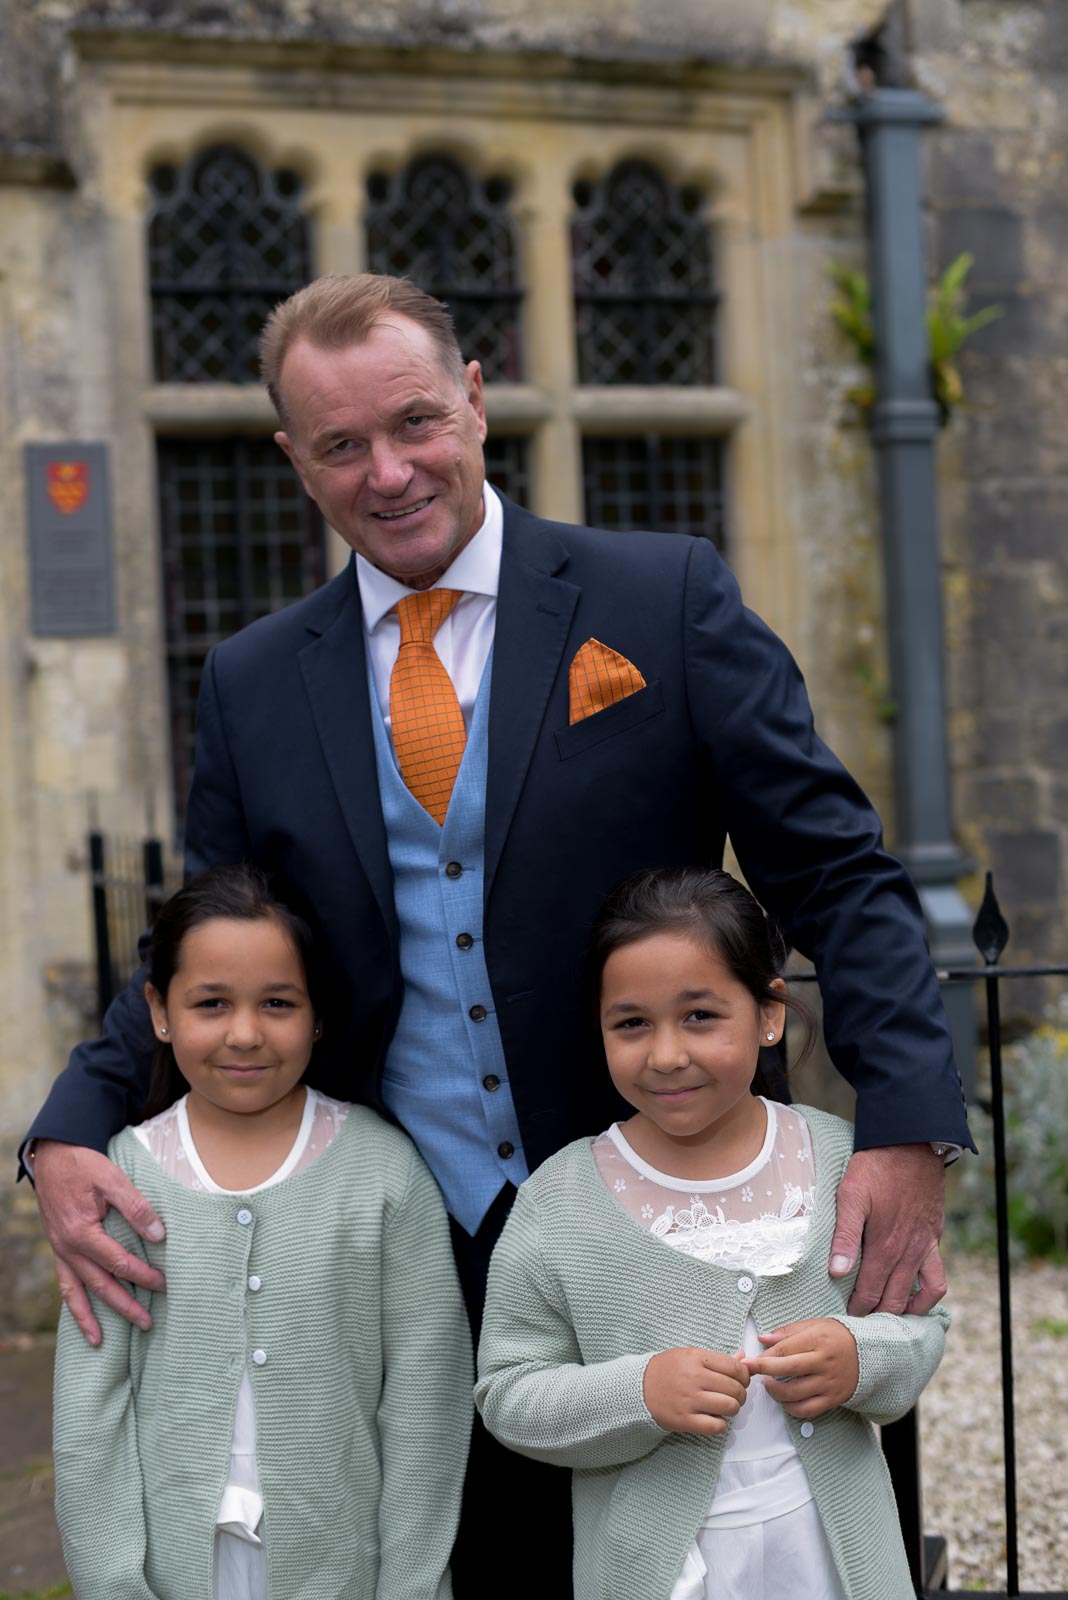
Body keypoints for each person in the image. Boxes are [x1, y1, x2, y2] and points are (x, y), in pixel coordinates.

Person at [25, 273, 970, 1591]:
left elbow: (841, 877)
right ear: (295, 459)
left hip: (676, 1211)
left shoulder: (661, 600)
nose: (389, 470)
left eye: (414, 422)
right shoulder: (251, 682)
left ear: (474, 401)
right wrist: (69, 1125)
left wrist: (909, 1128)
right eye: (342, 445)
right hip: (404, 1232)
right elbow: (212, 948)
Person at [476, 867, 949, 1600]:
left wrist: (860, 1357)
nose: (666, 1054)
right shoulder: (559, 1202)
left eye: (700, 1016)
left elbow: (923, 1324)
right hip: (660, 1574)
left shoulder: (838, 1165)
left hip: (830, 1558)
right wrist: (641, 1392)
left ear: (769, 1013)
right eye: (632, 1023)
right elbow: (510, 1393)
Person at [52, 864, 471, 1600]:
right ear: (158, 1010)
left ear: (316, 1014)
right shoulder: (123, 1180)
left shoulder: (385, 1174)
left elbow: (425, 1406)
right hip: (171, 1572)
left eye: (277, 1003)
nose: (244, 1034)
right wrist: (112, 1581)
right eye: (210, 1003)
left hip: (343, 1568)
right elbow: (91, 1416)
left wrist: (411, 1583)